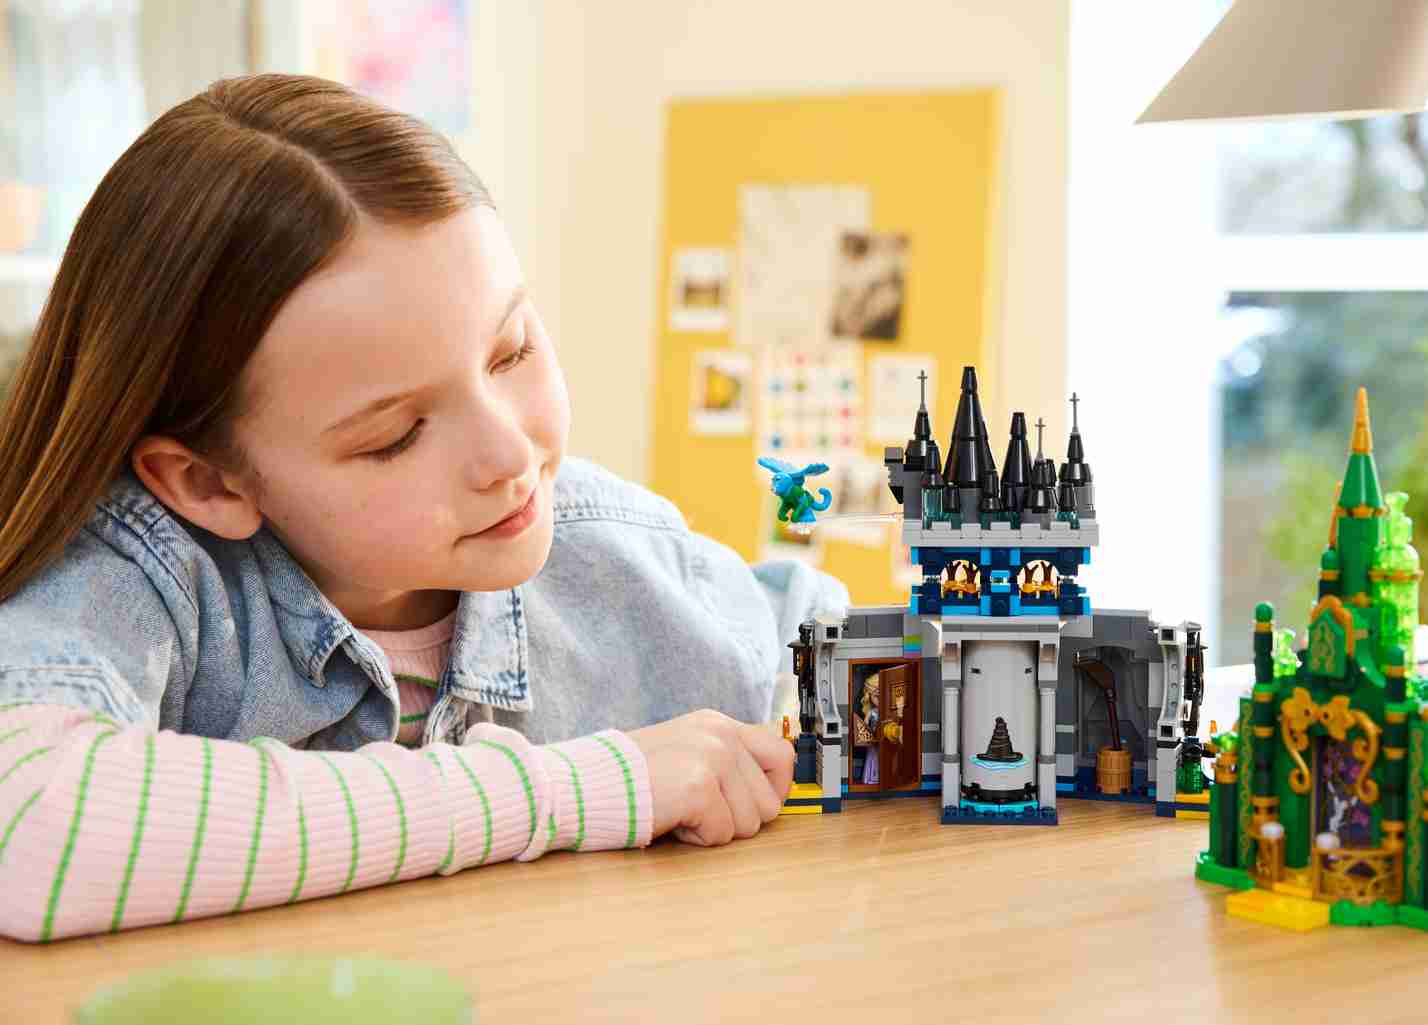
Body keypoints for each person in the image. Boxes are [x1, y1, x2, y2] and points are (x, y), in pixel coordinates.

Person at [0, 74, 847, 943]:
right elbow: (26, 820)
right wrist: (592, 787)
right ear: (209, 483)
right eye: (397, 434)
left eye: (511, 350)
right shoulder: (148, 583)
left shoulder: (621, 558)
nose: (509, 456)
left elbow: (875, 680)